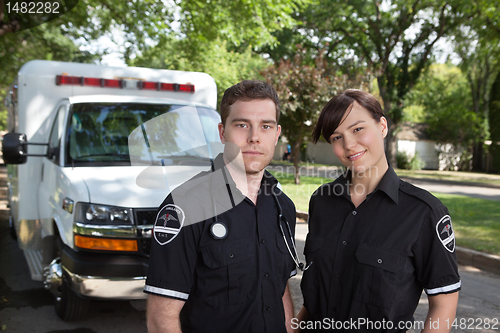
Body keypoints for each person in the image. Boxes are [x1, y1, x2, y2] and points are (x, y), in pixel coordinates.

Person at [296, 89, 460, 332]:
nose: (349, 144)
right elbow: (315, 298)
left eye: (357, 129)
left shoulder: (424, 213)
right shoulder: (321, 202)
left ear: (382, 126)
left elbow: (444, 302)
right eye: (336, 137)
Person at [145, 80, 298, 333]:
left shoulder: (283, 207)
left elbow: (280, 289)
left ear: (277, 134)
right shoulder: (184, 206)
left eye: (266, 126)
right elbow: (161, 318)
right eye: (242, 125)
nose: (254, 137)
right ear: (222, 132)